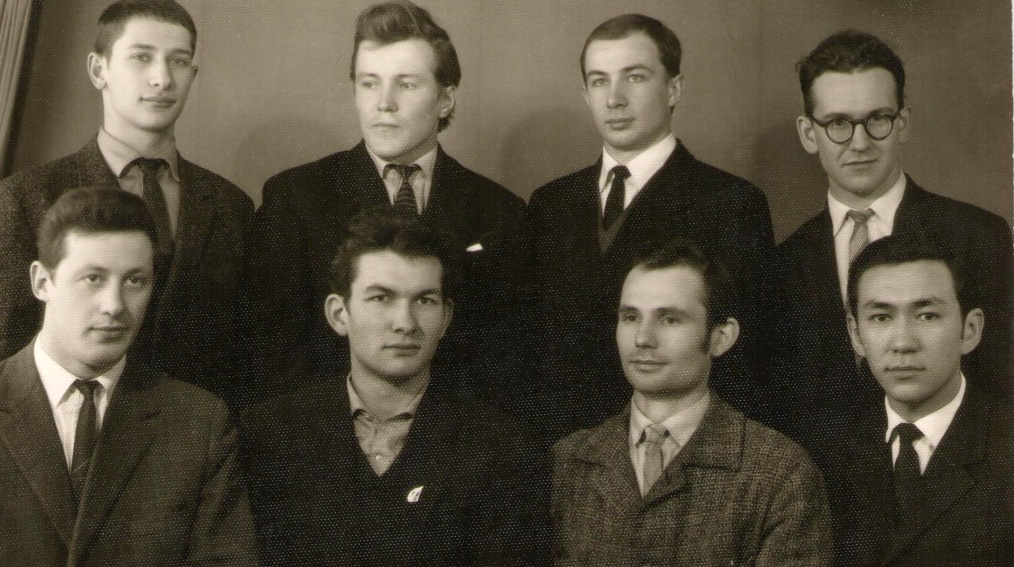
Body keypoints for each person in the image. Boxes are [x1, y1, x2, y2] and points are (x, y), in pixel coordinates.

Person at [240, 0, 524, 404]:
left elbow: (505, 363)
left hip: (458, 433)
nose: (384, 103)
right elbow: (274, 359)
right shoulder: (295, 198)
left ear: (445, 99)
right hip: (327, 430)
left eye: (406, 84)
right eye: (370, 83)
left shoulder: (501, 211)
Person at [241, 208, 549, 566]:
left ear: (446, 318)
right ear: (339, 314)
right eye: (381, 298)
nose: (405, 323)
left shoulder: (502, 447)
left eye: (424, 300)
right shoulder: (268, 435)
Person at [524, 13, 775, 440]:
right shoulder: (549, 203)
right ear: (585, 95)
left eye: (635, 77)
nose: (614, 99)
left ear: (674, 89)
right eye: (599, 81)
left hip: (678, 445)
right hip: (557, 447)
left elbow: (747, 361)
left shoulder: (731, 203)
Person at [773, 30, 1013, 461]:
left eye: (878, 119)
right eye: (838, 123)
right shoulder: (781, 263)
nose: (860, 143)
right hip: (825, 485)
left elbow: (1002, 384)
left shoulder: (978, 235)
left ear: (902, 122)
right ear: (809, 133)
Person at [0, 0, 252, 407]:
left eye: (178, 61)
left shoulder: (230, 206)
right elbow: (8, 353)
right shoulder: (26, 198)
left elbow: (241, 355)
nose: (162, 78)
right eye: (141, 57)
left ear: (192, 75)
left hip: (192, 433)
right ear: (98, 70)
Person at [0, 187, 257, 566]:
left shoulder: (198, 422)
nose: (115, 305)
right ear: (42, 282)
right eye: (93, 278)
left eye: (135, 281)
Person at [551, 239, 832, 566]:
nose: (642, 338)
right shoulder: (566, 462)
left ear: (721, 337)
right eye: (630, 317)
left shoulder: (781, 473)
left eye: (669, 319)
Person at [829, 235, 1014, 566]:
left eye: (927, 315)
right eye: (881, 317)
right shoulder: (826, 454)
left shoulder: (1006, 445)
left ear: (970, 330)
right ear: (856, 334)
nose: (902, 343)